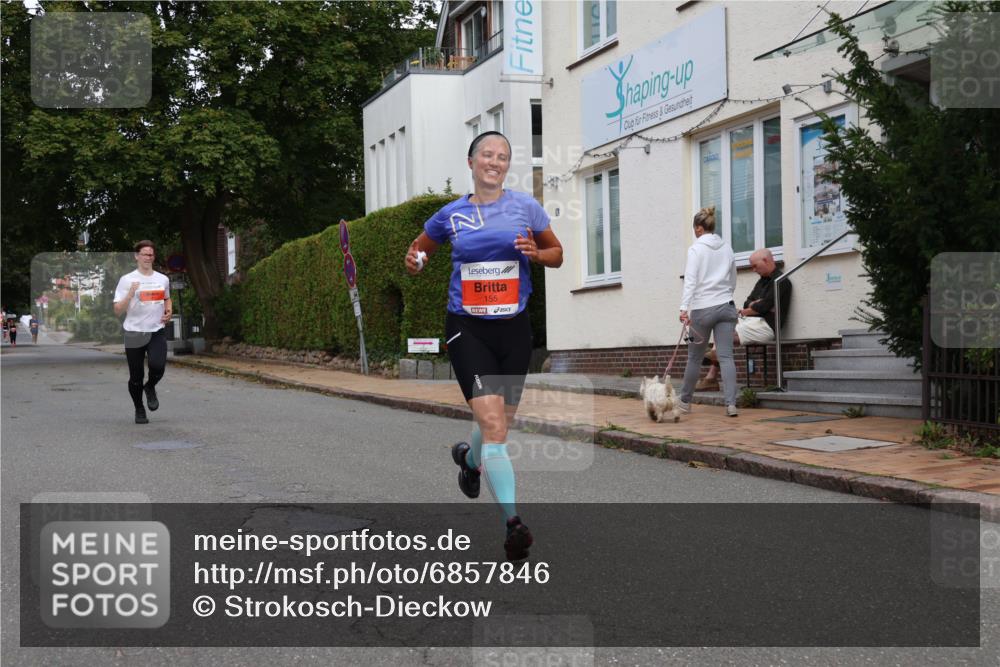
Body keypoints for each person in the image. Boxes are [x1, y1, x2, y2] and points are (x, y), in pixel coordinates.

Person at [404, 131, 563, 561]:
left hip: (513, 330)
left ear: (507, 165)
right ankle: (514, 523)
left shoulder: (525, 207)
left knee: (495, 425)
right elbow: (419, 252)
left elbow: (558, 254)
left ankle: (470, 461)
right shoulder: (450, 215)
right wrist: (416, 261)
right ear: (471, 161)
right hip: (467, 329)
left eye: (503, 156)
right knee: (494, 426)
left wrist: (535, 252)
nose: (495, 161)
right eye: (487, 155)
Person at [696, 248, 792, 390]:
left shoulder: (781, 282)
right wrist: (754, 306)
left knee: (724, 332)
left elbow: (764, 307)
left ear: (765, 261)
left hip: (767, 326)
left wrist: (752, 308)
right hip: (753, 322)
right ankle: (712, 372)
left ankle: (712, 374)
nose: (753, 270)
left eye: (755, 266)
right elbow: (749, 302)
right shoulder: (761, 282)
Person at [678, 206, 739, 417]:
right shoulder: (727, 248)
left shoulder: (696, 249)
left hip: (703, 308)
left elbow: (691, 281)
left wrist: (684, 308)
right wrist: (726, 294)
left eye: (694, 228)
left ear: (699, 228)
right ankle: (731, 405)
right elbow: (733, 278)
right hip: (726, 306)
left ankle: (685, 401)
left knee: (694, 358)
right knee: (726, 357)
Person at [113, 240, 172, 424]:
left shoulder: (162, 279)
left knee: (158, 366)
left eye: (151, 254)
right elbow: (117, 310)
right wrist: (130, 294)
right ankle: (139, 408)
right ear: (136, 256)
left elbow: (167, 299)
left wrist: (169, 311)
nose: (148, 257)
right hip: (134, 333)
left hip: (156, 331)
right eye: (145, 254)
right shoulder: (127, 280)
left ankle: (151, 387)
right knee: (136, 376)